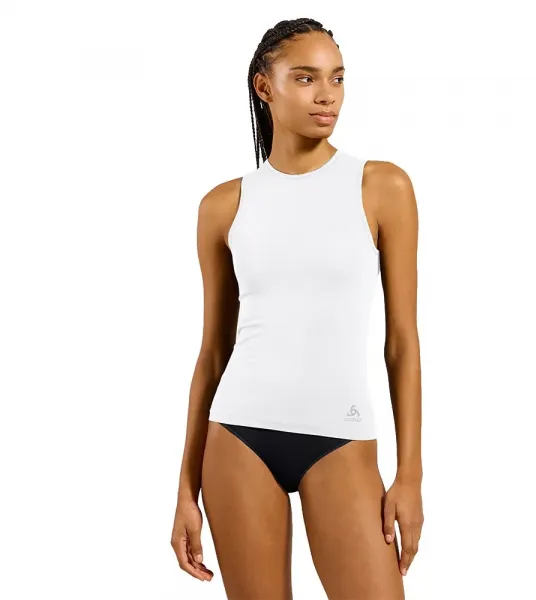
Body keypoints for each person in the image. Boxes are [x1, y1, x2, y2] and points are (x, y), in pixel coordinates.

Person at [171, 18, 424, 600]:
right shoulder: (223, 205)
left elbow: (403, 342)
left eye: (337, 78)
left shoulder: (381, 187)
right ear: (265, 87)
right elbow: (213, 352)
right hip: (238, 438)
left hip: (341, 437)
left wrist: (410, 474)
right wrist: (186, 487)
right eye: (306, 78)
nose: (327, 94)